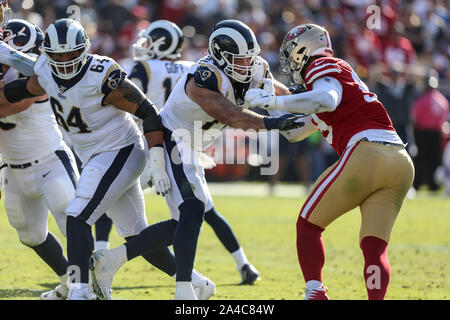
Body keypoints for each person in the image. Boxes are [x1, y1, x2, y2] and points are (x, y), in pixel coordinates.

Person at [89, 19, 303, 300]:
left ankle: (112, 259)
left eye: (250, 58)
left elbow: (281, 92)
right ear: (219, 56)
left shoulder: (255, 67)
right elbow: (231, 115)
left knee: (189, 220)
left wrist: (308, 106)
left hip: (193, 146)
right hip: (171, 137)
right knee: (192, 210)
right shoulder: (204, 76)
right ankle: (183, 292)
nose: (247, 65)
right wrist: (277, 124)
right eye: (239, 60)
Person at [0, 18, 184, 300]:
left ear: (84, 49)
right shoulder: (45, 69)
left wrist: (158, 161)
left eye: (71, 54)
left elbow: (147, 111)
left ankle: (80, 290)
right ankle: (192, 281)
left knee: (75, 216)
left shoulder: (101, 72)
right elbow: (20, 86)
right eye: (57, 55)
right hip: (94, 154)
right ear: (47, 54)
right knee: (134, 233)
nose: (64, 61)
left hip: (119, 148)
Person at [245, 24, 415, 300]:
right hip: (400, 162)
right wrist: (265, 103)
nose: (290, 60)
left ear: (304, 49)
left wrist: (274, 101)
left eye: (291, 53)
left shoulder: (322, 64)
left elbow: (326, 99)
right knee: (374, 246)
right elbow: (294, 132)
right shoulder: (339, 83)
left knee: (308, 225)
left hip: (367, 152)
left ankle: (315, 293)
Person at [128, 19, 260, 285]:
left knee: (123, 200)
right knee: (204, 212)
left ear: (160, 43)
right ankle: (243, 263)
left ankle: (105, 252)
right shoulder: (196, 67)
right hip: (186, 144)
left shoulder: (144, 66)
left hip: (152, 141)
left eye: (151, 41)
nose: (145, 46)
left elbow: (130, 99)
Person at [0, 19, 77, 301]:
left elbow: (10, 102)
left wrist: (9, 56)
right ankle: (69, 281)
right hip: (13, 167)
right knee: (29, 234)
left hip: (49, 161)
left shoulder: (40, 77)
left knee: (73, 224)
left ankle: (90, 287)